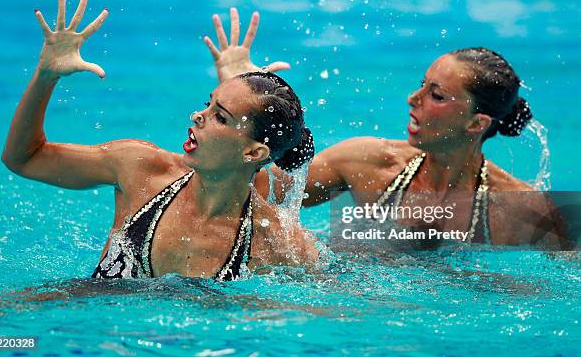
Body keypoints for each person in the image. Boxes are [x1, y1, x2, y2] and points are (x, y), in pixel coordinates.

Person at [1, 0, 319, 281]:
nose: (198, 116)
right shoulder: (142, 170)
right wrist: (46, 75)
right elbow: (24, 158)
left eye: (219, 116)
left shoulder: (275, 241)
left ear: (252, 153)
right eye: (207, 104)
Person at [207, 24, 570, 248]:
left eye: (437, 96)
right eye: (421, 86)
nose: (414, 100)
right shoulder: (367, 163)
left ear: (477, 124)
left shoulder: (521, 211)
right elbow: (255, 195)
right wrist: (246, 106)